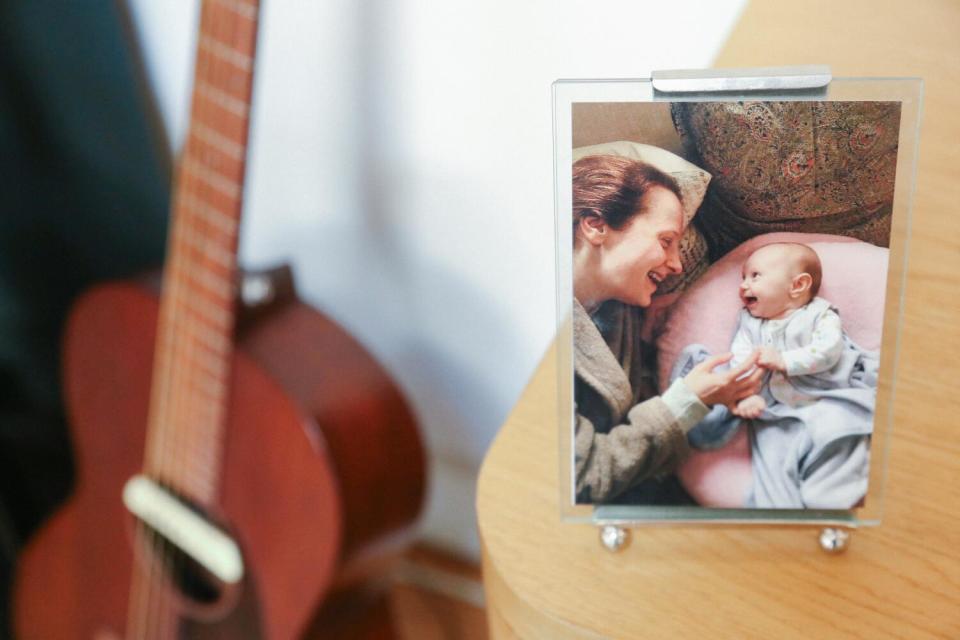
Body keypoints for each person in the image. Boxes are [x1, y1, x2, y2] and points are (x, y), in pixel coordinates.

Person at [572, 155, 763, 504]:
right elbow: (579, 479)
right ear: (595, 225)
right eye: (665, 241)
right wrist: (687, 402)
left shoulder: (618, 312)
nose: (676, 264)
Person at [679, 243, 878, 509]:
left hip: (826, 398)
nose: (743, 286)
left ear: (797, 285)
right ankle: (784, 514)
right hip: (776, 413)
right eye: (743, 278)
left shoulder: (820, 315)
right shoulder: (749, 324)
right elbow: (741, 361)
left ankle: (832, 497)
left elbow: (829, 351)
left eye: (755, 276)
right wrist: (742, 397)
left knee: (837, 431)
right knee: (774, 462)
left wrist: (785, 360)